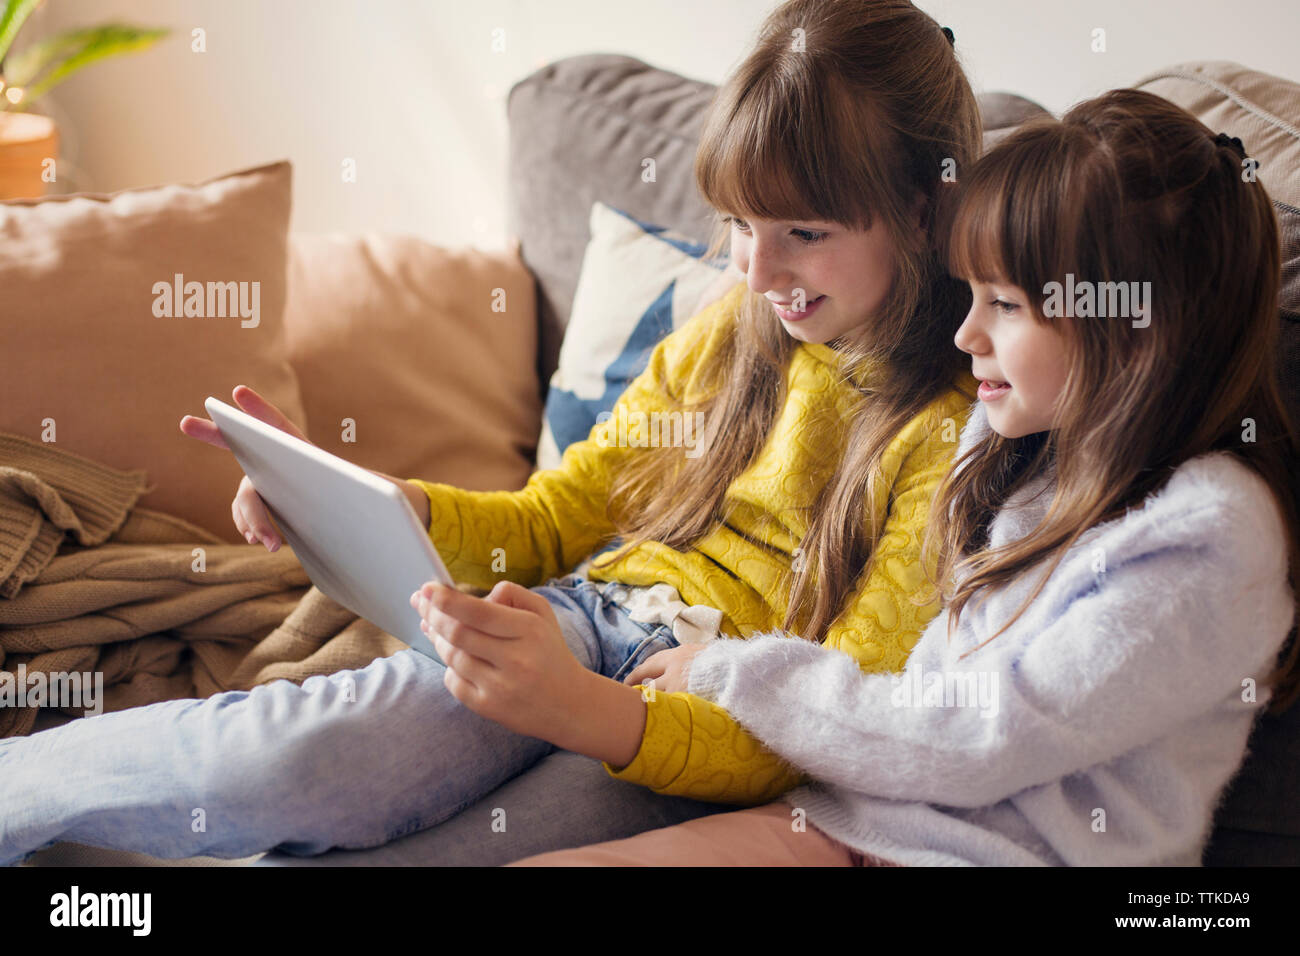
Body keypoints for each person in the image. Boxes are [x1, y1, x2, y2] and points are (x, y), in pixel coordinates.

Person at [0, 0, 982, 866]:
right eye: (737, 225)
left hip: (702, 734)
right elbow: (556, 515)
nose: (756, 270)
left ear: (918, 208)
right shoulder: (740, 324)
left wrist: (589, 712)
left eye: (802, 232)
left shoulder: (950, 432)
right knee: (300, 760)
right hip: (589, 621)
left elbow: (840, 721)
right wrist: (373, 504)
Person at [508, 88, 1300, 866]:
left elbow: (980, 737)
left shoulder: (1210, 535)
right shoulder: (1016, 449)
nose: (967, 333)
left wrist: (729, 676)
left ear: (1136, 330)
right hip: (854, 822)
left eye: (1006, 305)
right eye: (971, 295)